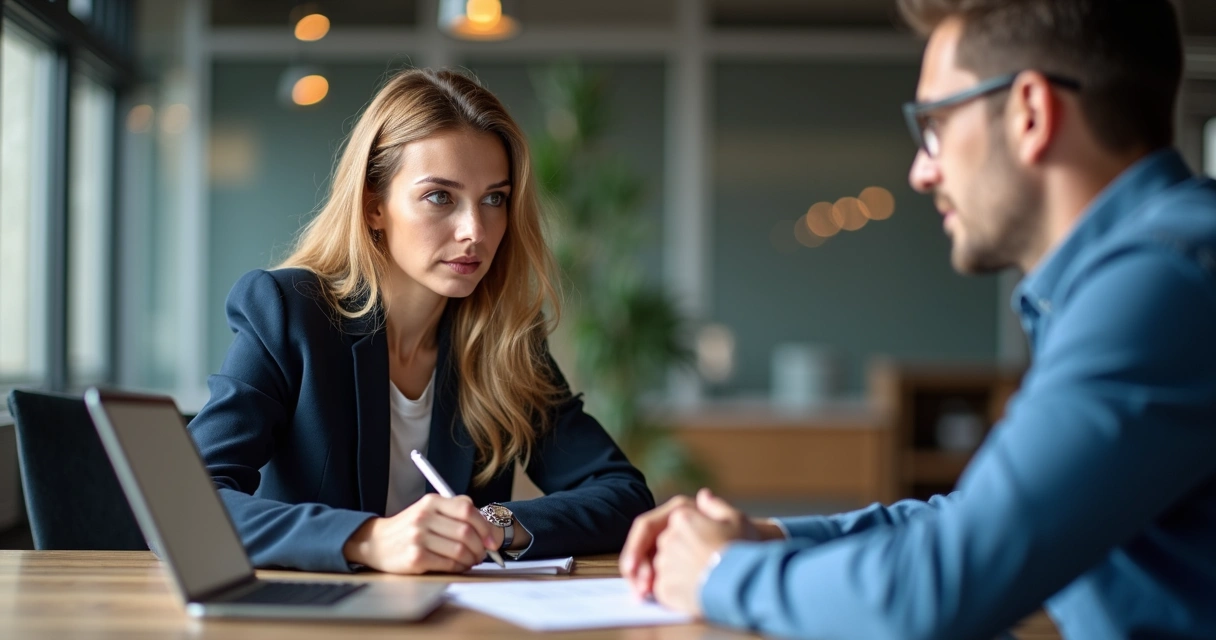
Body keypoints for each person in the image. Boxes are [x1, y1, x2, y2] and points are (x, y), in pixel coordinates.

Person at [621, 1, 1216, 638]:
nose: (920, 171)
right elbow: (974, 521)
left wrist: (718, 574)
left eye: (934, 125)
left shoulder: (1165, 280)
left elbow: (935, 589)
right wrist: (767, 537)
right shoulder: (1144, 268)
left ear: (1031, 114)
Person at [188, 68, 654, 575]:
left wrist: (492, 523)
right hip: (314, 618)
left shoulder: (504, 339)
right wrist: (366, 540)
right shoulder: (287, 312)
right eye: (440, 197)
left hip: (454, 620)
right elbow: (190, 500)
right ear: (373, 206)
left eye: (494, 199)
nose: (474, 232)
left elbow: (623, 496)